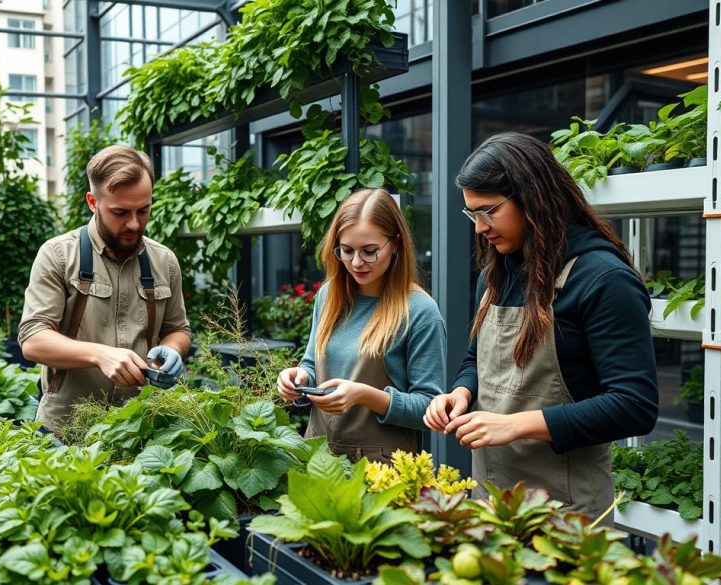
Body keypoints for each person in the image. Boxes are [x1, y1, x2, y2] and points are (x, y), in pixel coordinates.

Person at [423, 132, 659, 524]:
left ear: (532, 198)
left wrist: (515, 425)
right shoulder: (495, 275)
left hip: (565, 514)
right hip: (492, 501)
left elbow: (634, 405)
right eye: (472, 215)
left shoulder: (602, 279)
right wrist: (461, 394)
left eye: (489, 212)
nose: (479, 228)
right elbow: (475, 359)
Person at [19, 145, 191, 433]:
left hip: (141, 429)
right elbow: (33, 340)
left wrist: (171, 350)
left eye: (143, 210)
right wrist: (101, 355)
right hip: (65, 431)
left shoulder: (165, 262)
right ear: (92, 202)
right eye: (120, 212)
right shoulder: (58, 255)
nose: (134, 224)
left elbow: (179, 329)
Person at [277, 188, 446, 463]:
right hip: (318, 456)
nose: (356, 263)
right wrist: (298, 379)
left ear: (396, 244)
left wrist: (366, 396)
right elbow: (311, 364)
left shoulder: (420, 311)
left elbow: (429, 407)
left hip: (382, 469)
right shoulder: (329, 295)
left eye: (369, 251)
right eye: (347, 250)